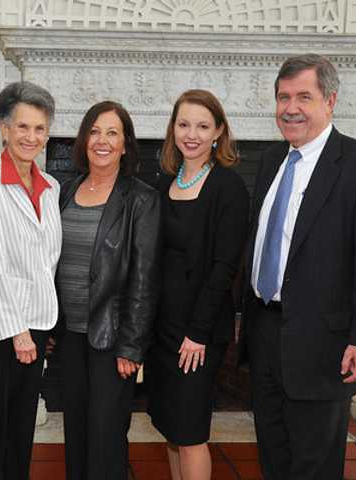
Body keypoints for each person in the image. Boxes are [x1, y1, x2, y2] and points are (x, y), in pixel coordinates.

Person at [241, 54, 356, 479]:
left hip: (325, 346)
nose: (290, 108)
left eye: (303, 97)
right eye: (283, 97)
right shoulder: (273, 160)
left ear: (330, 101)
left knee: (314, 465)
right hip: (267, 334)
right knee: (274, 456)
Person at [146, 90, 249, 480]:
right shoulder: (163, 184)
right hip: (162, 330)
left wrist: (197, 333)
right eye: (184, 124)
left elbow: (225, 268)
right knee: (170, 429)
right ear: (173, 129)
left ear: (219, 132)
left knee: (190, 432)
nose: (192, 134)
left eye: (203, 126)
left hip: (197, 334)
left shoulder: (229, 188)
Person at [0, 81, 62, 480]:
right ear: (3, 128)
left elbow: (47, 262)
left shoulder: (52, 188)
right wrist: (17, 332)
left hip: (37, 325)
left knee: (22, 429)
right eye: (22, 127)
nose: (31, 137)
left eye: (40, 129)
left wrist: (43, 324)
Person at [57, 100, 160, 480]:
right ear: (85, 140)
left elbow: (145, 278)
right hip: (69, 335)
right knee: (76, 432)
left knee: (106, 436)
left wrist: (132, 345)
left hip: (112, 340)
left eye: (112, 133)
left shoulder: (141, 199)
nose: (103, 140)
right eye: (96, 131)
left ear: (125, 144)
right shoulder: (65, 191)